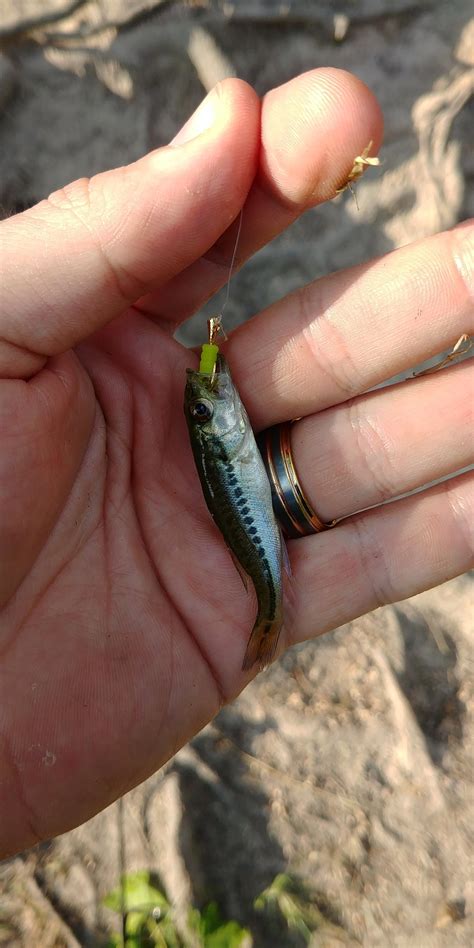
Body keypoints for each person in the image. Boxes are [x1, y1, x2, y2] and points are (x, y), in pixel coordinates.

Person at [0, 69, 472, 860]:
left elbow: (215, 425)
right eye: (203, 404)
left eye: (204, 401)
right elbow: (214, 422)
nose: (206, 394)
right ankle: (266, 609)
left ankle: (267, 608)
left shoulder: (210, 411)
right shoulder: (211, 415)